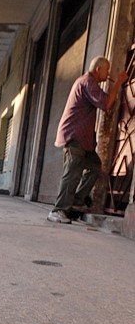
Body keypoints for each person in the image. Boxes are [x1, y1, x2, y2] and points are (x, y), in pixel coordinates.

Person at [47, 56, 128, 224]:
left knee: (94, 167)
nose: (108, 73)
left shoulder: (88, 82)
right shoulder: (88, 81)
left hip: (83, 141)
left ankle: (76, 202)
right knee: (72, 173)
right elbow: (105, 103)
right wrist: (119, 83)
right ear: (99, 69)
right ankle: (58, 210)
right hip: (74, 136)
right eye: (107, 70)